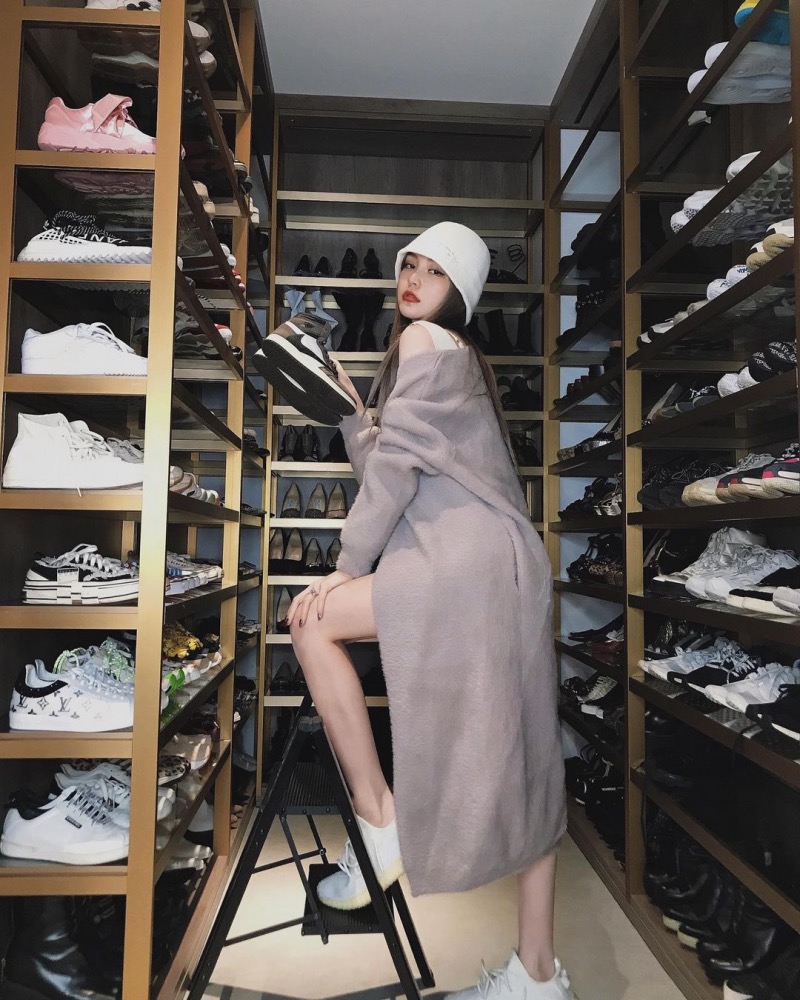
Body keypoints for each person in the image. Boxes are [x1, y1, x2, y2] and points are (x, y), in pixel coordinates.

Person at [285, 222, 571, 1000]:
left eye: (434, 270)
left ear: (460, 292)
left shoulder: (420, 342)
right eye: (409, 263)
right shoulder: (459, 360)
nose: (412, 277)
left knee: (311, 621)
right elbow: (400, 460)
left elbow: (398, 476)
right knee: (532, 762)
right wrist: (354, 415)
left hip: (461, 561)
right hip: (507, 565)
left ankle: (381, 818)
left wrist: (345, 567)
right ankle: (538, 976)